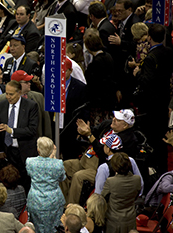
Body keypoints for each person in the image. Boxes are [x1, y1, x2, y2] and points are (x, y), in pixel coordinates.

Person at [61, 109, 138, 205]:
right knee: (64, 166)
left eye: (118, 120)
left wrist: (89, 136)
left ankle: (71, 209)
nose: (113, 119)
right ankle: (62, 204)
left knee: (78, 176)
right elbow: (94, 131)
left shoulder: (127, 139)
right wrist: (86, 130)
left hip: (99, 168)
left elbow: (104, 152)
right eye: (115, 117)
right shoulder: (108, 125)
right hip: (86, 159)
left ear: (125, 125)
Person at [133, 23, 173, 173]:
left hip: (152, 104)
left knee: (153, 138)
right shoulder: (169, 51)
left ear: (149, 37)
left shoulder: (151, 57)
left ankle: (154, 169)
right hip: (164, 100)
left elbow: (147, 81)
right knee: (163, 136)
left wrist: (137, 73)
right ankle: (162, 168)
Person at [0, 80, 39, 191]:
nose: (8, 97)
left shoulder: (31, 106)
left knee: (26, 183)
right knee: (9, 183)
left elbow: (32, 130)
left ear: (19, 92)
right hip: (8, 152)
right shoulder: (1, 106)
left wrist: (11, 130)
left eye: (11, 94)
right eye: (6, 93)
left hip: (25, 152)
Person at [26, 137, 65, 232]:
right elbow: (62, 178)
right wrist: (53, 156)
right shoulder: (58, 164)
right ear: (52, 150)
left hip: (36, 201)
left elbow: (29, 174)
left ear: (38, 149)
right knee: (54, 228)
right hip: (54, 201)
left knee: (37, 227)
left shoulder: (30, 162)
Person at [84, 30, 117, 125]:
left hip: (99, 103)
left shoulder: (95, 64)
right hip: (110, 99)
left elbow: (92, 85)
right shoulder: (108, 56)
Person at [101, 152, 141, 233]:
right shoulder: (137, 179)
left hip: (114, 221)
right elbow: (137, 195)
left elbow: (102, 198)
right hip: (130, 219)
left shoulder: (111, 181)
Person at [59, 58, 87, 161]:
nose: (61, 73)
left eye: (64, 70)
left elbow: (84, 110)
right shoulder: (51, 85)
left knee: (70, 158)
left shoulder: (80, 87)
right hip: (54, 126)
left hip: (70, 127)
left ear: (70, 71)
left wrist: (81, 128)